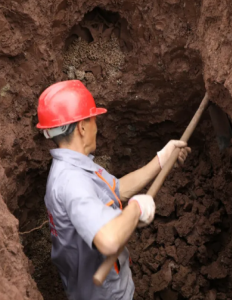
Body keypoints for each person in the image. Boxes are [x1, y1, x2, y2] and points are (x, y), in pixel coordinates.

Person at [36, 80, 191, 300]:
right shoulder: (72, 182)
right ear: (81, 127)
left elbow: (117, 189)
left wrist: (160, 160)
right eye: (93, 119)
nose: (96, 127)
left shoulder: (76, 165)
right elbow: (109, 240)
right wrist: (136, 209)